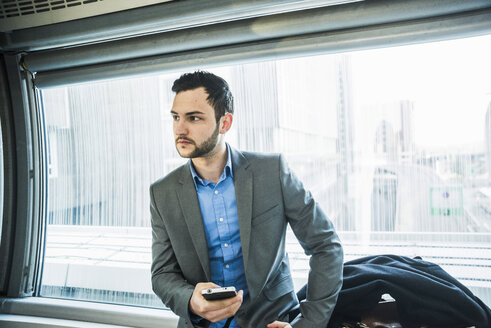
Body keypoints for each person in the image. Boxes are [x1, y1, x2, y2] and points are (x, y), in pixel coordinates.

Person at [150, 70, 343, 328]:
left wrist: (307, 324)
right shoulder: (162, 193)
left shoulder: (272, 171)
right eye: (175, 117)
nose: (180, 129)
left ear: (225, 123)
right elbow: (162, 274)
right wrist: (191, 301)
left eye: (194, 118)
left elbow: (326, 245)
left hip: (273, 321)